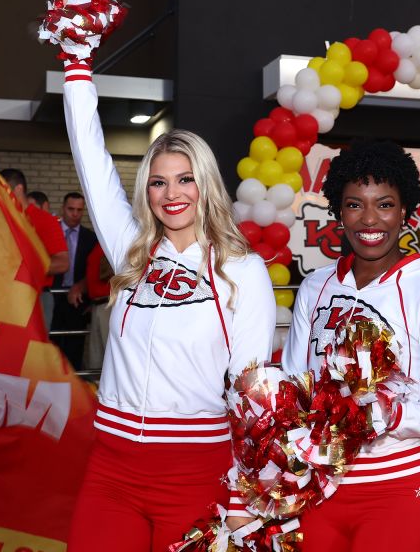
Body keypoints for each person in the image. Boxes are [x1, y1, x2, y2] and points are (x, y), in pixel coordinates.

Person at [62, 68, 276, 551]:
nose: (172, 194)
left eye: (185, 180)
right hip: (112, 467)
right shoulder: (132, 251)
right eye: (158, 183)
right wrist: (76, 68)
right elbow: (91, 162)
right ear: (147, 192)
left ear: (206, 184)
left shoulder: (242, 270)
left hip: (196, 470)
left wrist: (243, 497)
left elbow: (252, 391)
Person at [282, 139, 420, 552]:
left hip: (393, 487)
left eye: (384, 204)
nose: (370, 219)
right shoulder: (315, 287)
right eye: (355, 205)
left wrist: (386, 414)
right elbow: (293, 393)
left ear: (405, 211)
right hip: (316, 485)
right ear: (338, 211)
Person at [0, 168, 68, 333]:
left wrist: (22, 264)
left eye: (2, 188)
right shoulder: (1, 219)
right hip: (3, 296)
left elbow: (62, 263)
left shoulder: (44, 221)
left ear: (19, 189)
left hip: (35, 297)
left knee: (33, 355)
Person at [52, 192, 98, 368]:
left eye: (79, 210)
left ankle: (72, 391)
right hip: (51, 297)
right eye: (71, 209)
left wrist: (85, 289)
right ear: (63, 208)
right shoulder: (51, 231)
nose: (75, 214)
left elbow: (95, 270)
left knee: (74, 349)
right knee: (50, 344)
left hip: (78, 301)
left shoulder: (91, 238)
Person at [74, 241, 115, 371]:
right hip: (100, 304)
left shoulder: (121, 238)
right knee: (96, 361)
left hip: (111, 305)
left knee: (109, 361)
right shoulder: (102, 240)